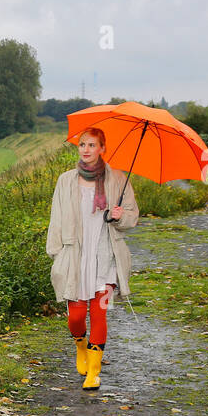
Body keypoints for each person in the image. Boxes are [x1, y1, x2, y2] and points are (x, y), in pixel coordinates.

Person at [45, 127, 140, 390]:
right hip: (75, 255)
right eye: (82, 145)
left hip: (105, 256)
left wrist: (120, 216)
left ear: (102, 149)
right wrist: (56, 254)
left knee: (100, 313)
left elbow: (133, 216)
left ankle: (94, 371)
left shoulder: (118, 179)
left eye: (91, 145)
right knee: (75, 317)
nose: (86, 150)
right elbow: (56, 218)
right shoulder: (65, 180)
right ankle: (81, 348)